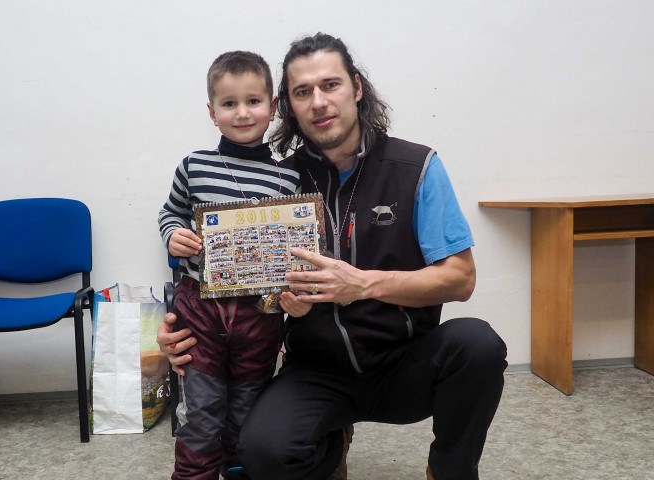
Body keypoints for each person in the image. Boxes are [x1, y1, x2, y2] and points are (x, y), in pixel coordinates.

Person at [159, 33, 508, 480]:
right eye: (303, 92)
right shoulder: (280, 182)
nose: (319, 102)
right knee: (262, 452)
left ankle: (449, 470)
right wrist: (190, 332)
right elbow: (238, 275)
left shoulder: (416, 167)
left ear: (356, 87)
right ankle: (330, 443)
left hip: (404, 362)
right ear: (288, 106)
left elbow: (461, 279)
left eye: (331, 85)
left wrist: (363, 284)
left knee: (478, 344)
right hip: (317, 371)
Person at [157, 50, 300, 480]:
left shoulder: (289, 179)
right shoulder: (194, 165)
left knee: (246, 411)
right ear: (212, 111)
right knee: (201, 414)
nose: (242, 113)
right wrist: (173, 235)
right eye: (229, 103)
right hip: (200, 308)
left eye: (253, 101)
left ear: (272, 106)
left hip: (260, 314)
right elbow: (170, 213)